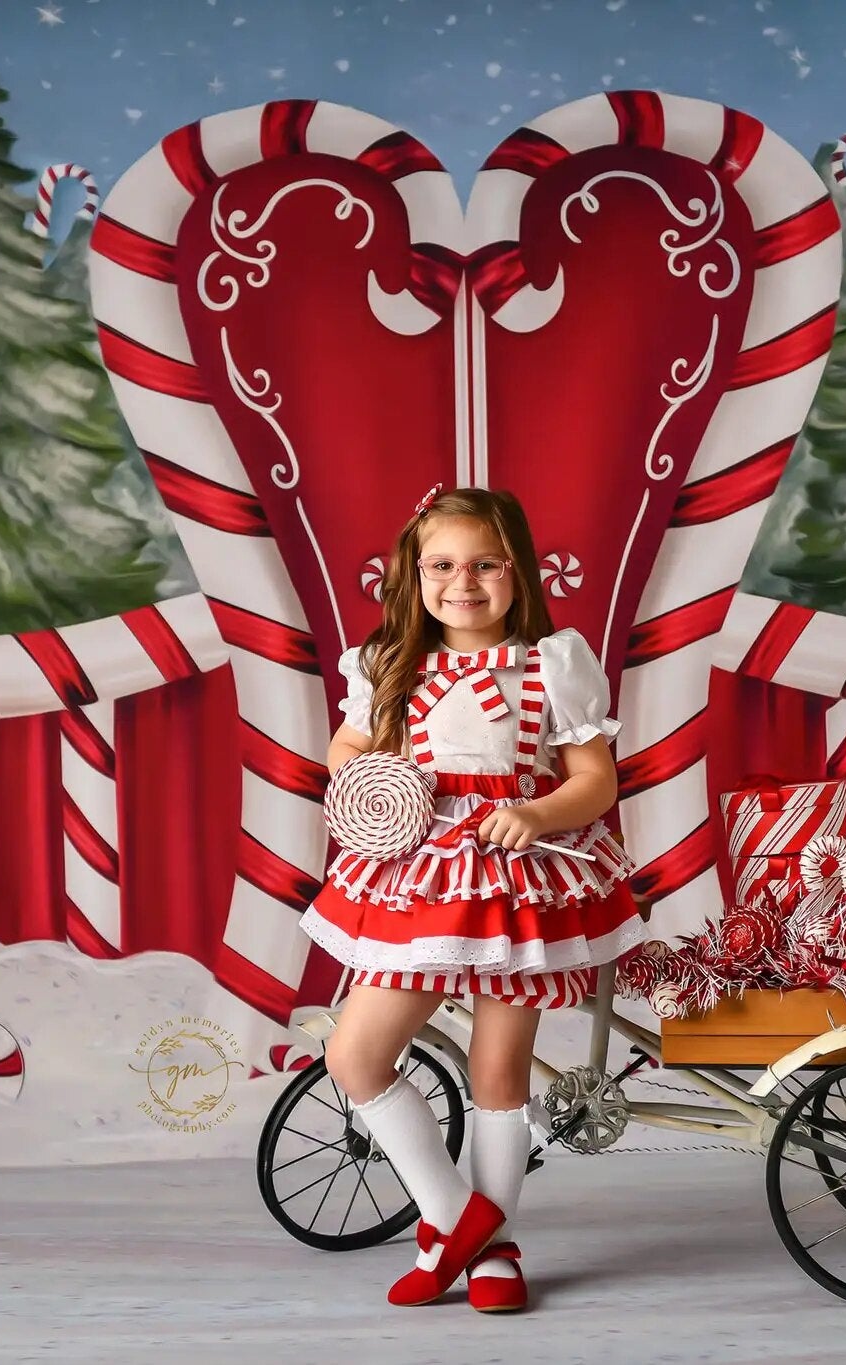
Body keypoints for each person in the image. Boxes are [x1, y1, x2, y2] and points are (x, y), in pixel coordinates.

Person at [300, 484, 646, 1314]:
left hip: (516, 871)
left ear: (517, 572)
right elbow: (346, 746)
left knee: (498, 1068)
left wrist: (535, 811)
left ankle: (492, 1255)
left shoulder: (550, 664)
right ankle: (467, 1224)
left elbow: (595, 780)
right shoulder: (388, 664)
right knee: (357, 1054)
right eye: (443, 565)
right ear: (414, 575)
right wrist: (367, 779)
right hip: (420, 875)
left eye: (485, 564)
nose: (464, 582)